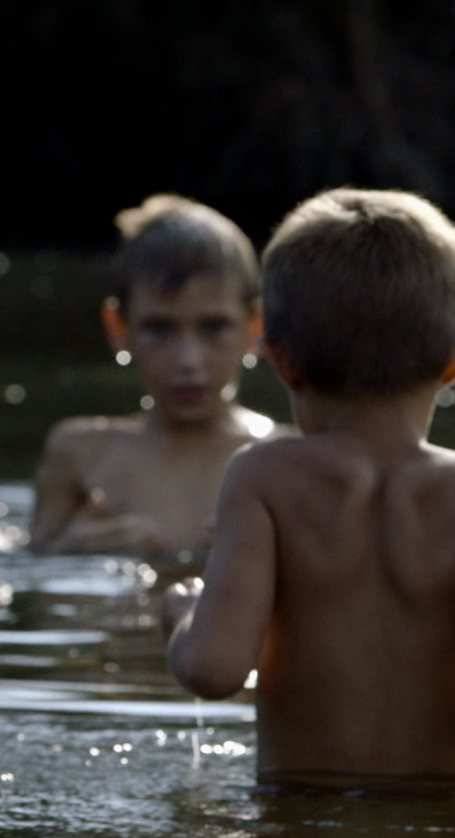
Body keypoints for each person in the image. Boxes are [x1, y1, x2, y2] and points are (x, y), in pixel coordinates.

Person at [162, 187, 455, 787]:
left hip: (295, 828)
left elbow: (213, 668)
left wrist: (183, 614)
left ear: (279, 359)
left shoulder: (264, 478)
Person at [30, 194, 278, 565]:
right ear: (119, 329)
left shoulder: (286, 459)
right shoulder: (80, 454)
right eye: (159, 329)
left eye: (213, 328)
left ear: (255, 327)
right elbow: (32, 583)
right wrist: (71, 553)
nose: (188, 361)